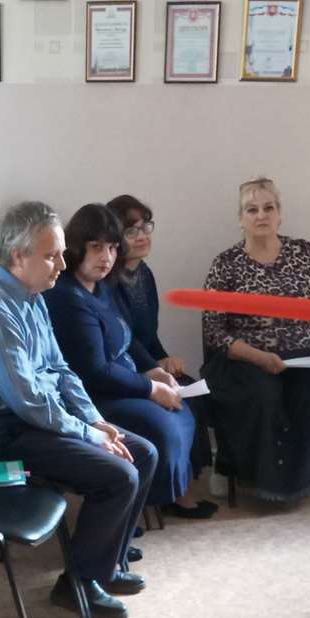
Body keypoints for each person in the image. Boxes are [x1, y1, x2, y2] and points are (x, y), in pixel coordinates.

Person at [0, 200, 157, 618]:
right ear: (18, 256)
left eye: (61, 253)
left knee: (144, 453)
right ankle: (78, 584)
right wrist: (90, 434)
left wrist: (94, 419)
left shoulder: (30, 291)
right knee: (118, 475)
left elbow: (60, 369)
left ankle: (105, 565)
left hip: (32, 419)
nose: (63, 264)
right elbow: (28, 400)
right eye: (52, 255)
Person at [44, 204, 209, 520]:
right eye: (96, 247)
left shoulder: (102, 285)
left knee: (186, 401)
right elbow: (95, 372)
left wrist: (155, 370)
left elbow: (128, 336)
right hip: (95, 396)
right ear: (77, 247)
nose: (106, 257)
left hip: (124, 379)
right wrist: (151, 389)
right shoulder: (66, 296)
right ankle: (134, 506)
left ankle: (170, 494)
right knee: (161, 423)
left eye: (112, 247)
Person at [201, 176, 310, 503]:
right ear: (240, 218)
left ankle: (305, 471)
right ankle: (246, 472)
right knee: (263, 395)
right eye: (251, 209)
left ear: (279, 214)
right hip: (246, 361)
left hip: (303, 359)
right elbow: (214, 330)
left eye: (268, 208)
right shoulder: (225, 264)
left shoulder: (304, 252)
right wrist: (259, 357)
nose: (261, 215)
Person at [107, 192, 214, 486]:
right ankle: (171, 492)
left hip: (147, 364)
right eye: (131, 230)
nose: (142, 236)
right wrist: (156, 367)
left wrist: (166, 359)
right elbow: (125, 340)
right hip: (126, 370)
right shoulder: (108, 280)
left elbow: (149, 335)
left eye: (146, 227)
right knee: (174, 403)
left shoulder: (144, 274)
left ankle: (185, 485)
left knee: (193, 391)